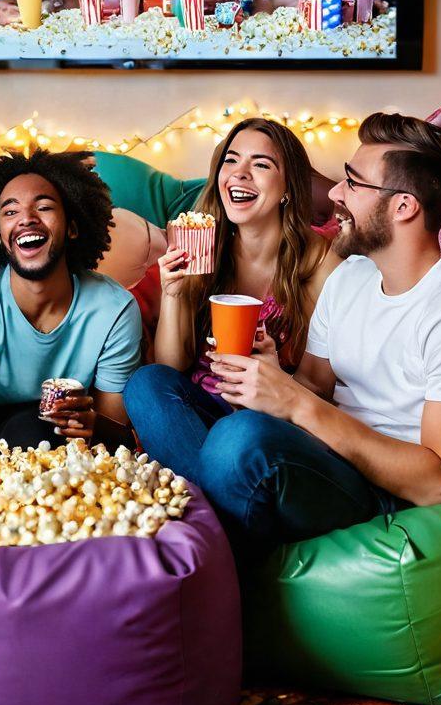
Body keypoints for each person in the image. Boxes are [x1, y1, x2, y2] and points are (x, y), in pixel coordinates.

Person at [131, 113, 441, 548]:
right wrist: (269, 379)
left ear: (404, 207)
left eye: (352, 182)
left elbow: (440, 484)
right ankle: (215, 535)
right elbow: (312, 385)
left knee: (238, 437)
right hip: (319, 454)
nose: (333, 193)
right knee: (150, 384)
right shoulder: (352, 276)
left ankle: (203, 543)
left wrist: (294, 403)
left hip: (380, 488)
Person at [126, 117, 338, 458]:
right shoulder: (202, 244)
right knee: (145, 383)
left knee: (238, 431)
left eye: (261, 164)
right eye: (231, 160)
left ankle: (199, 482)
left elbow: (320, 390)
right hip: (201, 410)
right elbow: (172, 366)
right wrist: (173, 293)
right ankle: (214, 475)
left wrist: (274, 375)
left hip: (267, 421)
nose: (240, 174)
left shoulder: (318, 264)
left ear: (287, 187)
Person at [0, 149, 143, 465]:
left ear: (72, 227)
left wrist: (91, 422)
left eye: (44, 207)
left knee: (36, 428)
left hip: (63, 452)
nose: (26, 218)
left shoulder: (114, 310)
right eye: (10, 212)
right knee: (30, 428)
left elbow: (113, 429)